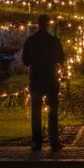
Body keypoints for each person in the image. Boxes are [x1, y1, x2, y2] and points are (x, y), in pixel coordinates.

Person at [21, 14, 66, 151]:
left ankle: (37, 142)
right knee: (52, 111)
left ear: (38, 24)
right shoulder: (54, 41)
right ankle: (53, 141)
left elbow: (25, 61)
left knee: (36, 112)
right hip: (50, 79)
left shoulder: (30, 41)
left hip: (35, 79)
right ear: (48, 25)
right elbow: (61, 59)